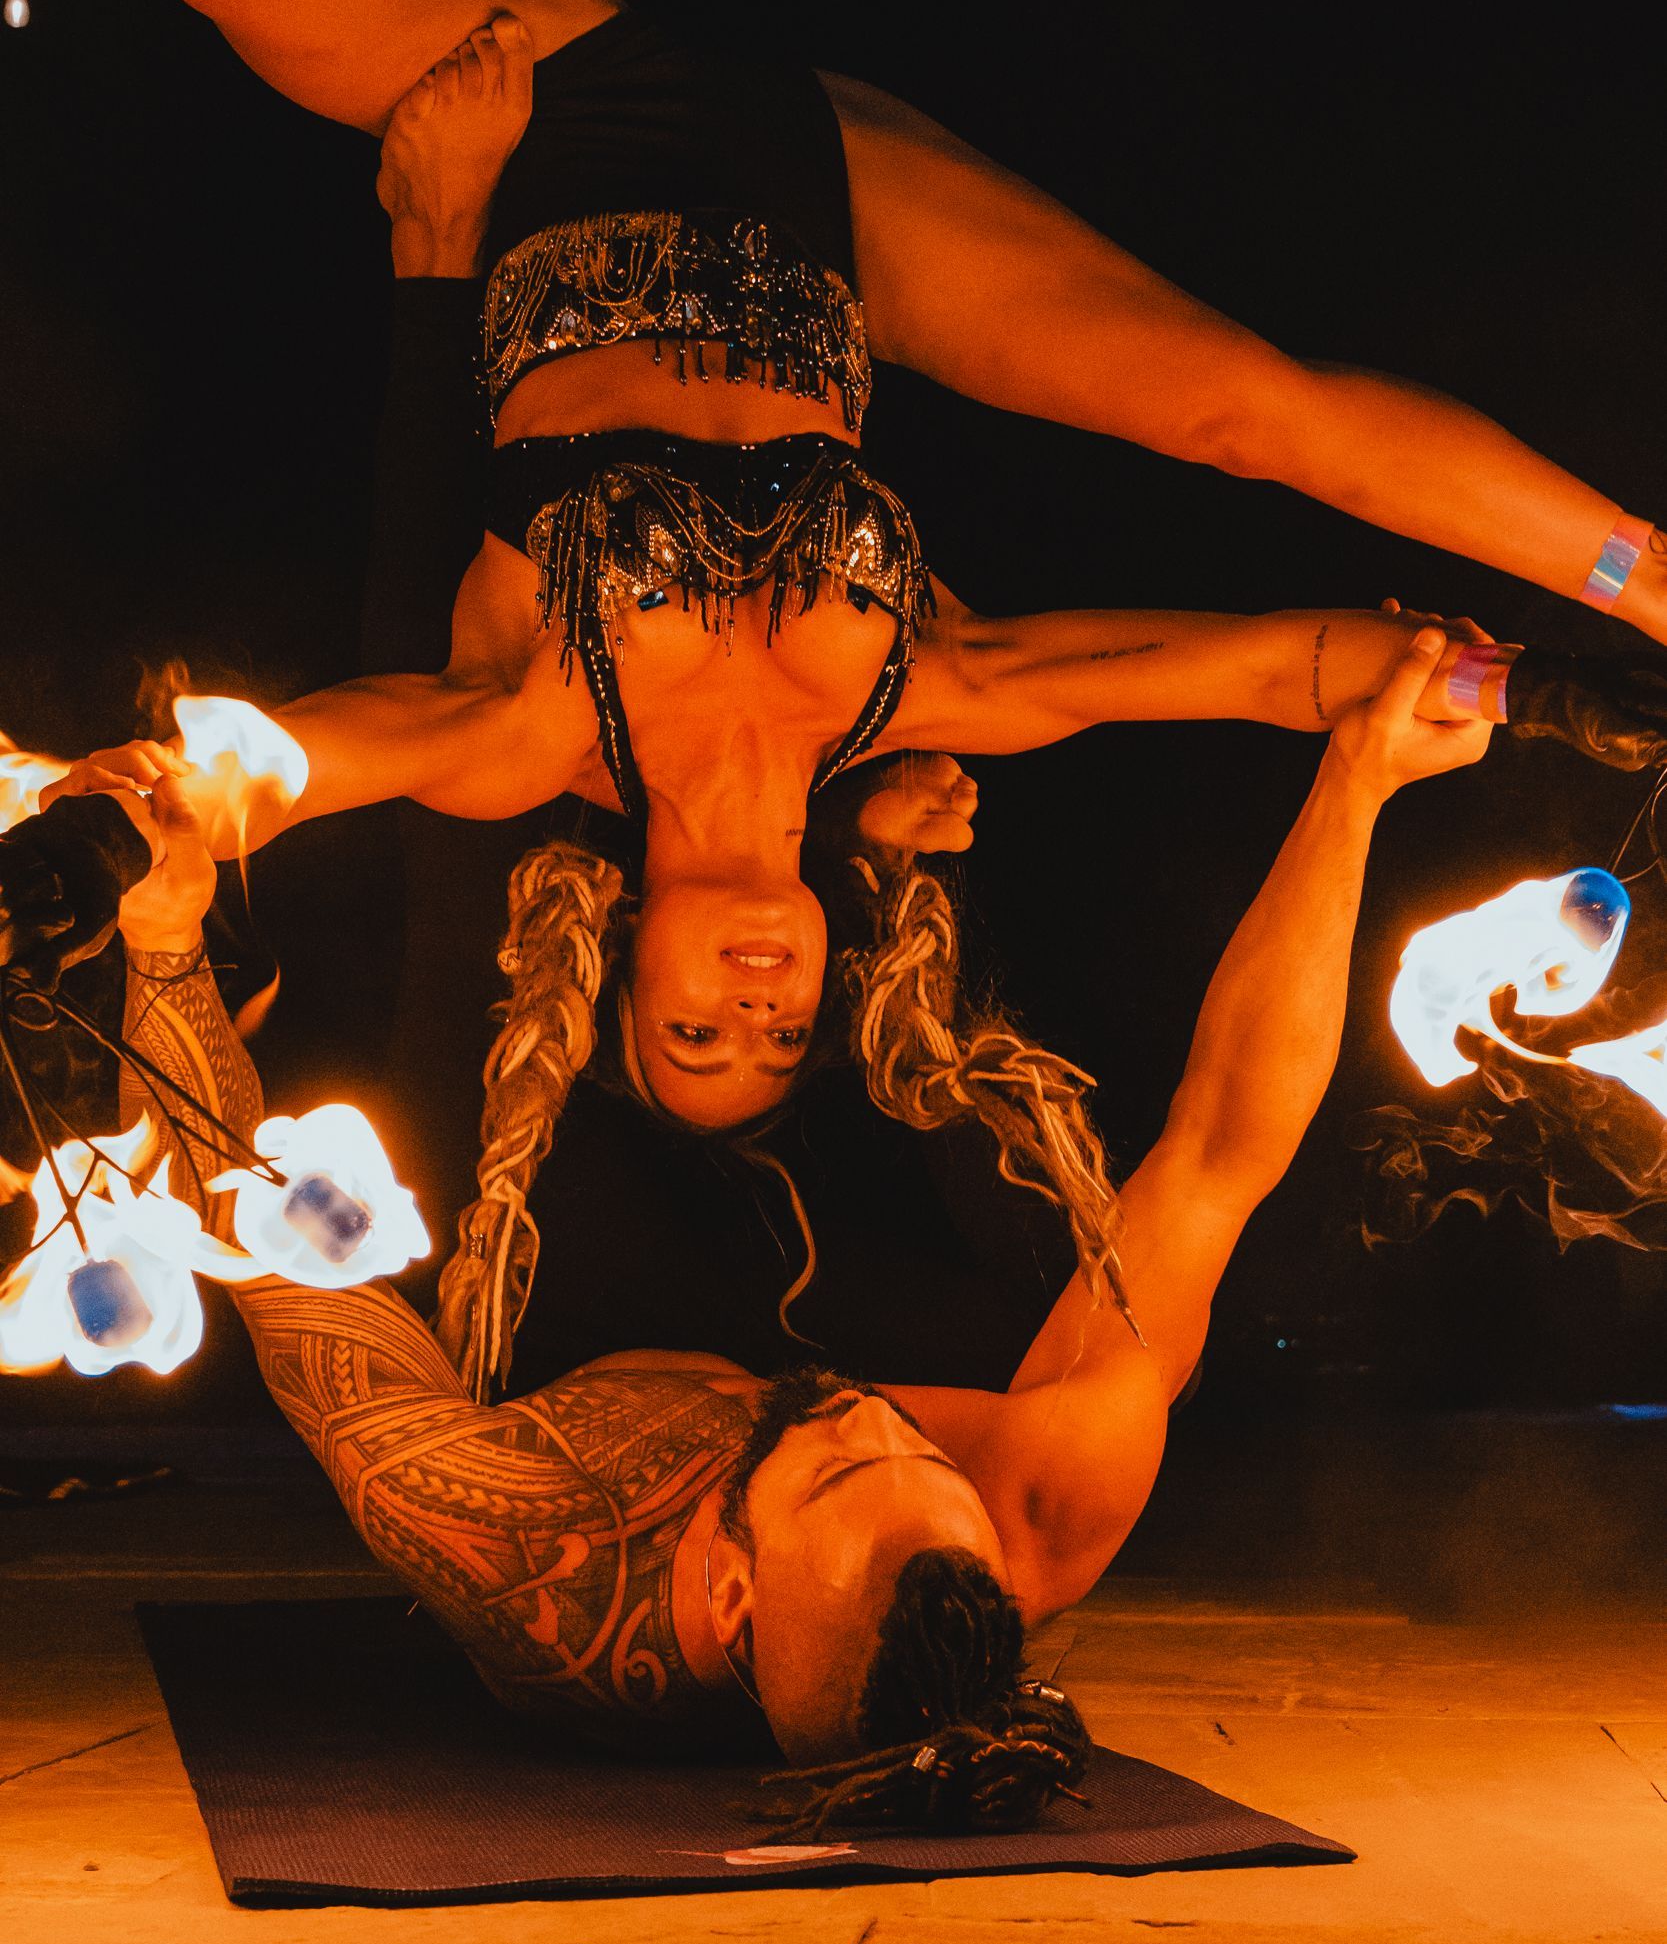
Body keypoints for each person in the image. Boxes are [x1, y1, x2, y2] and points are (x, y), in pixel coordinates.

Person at [14, 0, 1666, 1135]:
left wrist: (93, 843)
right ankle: (1651, 575)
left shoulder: (522, 730)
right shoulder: (919, 692)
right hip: (835, 209)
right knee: (1249, 410)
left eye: (695, 1034)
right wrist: (1542, 690)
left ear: (625, 970)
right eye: (785, 1034)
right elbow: (1270, 670)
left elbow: (275, 769)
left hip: (560, 119)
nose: (755, 998)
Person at [94, 628, 1488, 1826]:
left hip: (575, 1337)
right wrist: (1359, 787)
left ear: (728, 1601)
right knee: (963, 1199)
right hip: (828, 1276)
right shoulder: (1040, 1501)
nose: (867, 1419)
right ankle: (852, 864)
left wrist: (162, 929)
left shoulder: (508, 1535)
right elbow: (1221, 1145)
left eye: (836, 1473)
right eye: (913, 1451)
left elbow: (247, 1223)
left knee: (528, 1050)